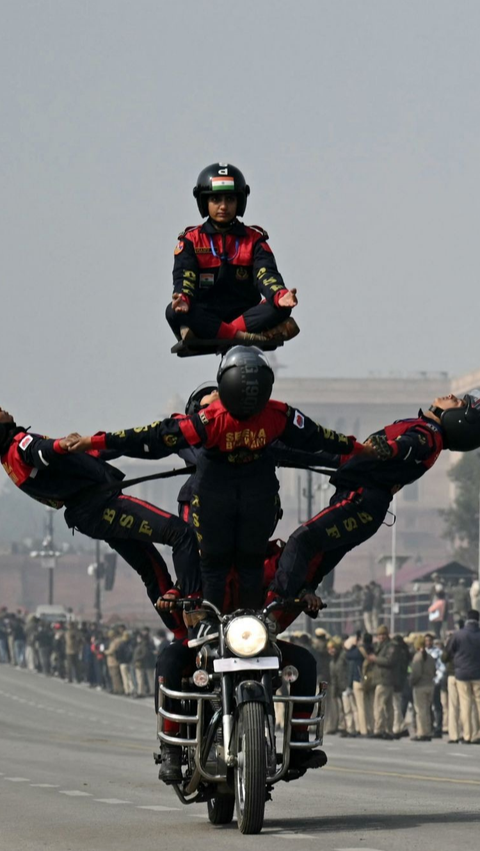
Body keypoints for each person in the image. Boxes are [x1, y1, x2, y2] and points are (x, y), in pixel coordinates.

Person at [66, 346, 370, 612]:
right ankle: (191, 602)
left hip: (243, 512)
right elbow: (145, 440)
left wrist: (358, 453)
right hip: (214, 513)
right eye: (205, 401)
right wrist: (92, 448)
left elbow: (314, 444)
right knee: (205, 556)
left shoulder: (249, 425)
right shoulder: (215, 424)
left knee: (251, 562)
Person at [0, 404, 196, 638]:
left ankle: (183, 636)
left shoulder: (9, 461)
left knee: (151, 570)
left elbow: (85, 455)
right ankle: (195, 605)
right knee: (181, 534)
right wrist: (60, 445)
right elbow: (40, 451)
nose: (2, 409)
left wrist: (103, 442)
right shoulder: (17, 446)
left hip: (89, 514)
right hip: (101, 506)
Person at [270, 392, 480, 602]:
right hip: (364, 501)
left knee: (302, 540)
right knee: (317, 553)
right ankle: (302, 591)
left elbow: (409, 445)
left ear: (459, 419)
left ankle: (274, 602)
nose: (452, 396)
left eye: (459, 402)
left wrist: (389, 449)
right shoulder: (426, 431)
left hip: (361, 502)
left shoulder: (428, 434)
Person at [166, 162, 299, 344]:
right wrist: (183, 299)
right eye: (216, 199)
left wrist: (280, 295)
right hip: (207, 314)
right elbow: (184, 278)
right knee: (173, 311)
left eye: (230, 199)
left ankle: (217, 334)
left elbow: (266, 274)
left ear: (240, 201)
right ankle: (242, 337)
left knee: (281, 308)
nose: (223, 206)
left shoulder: (254, 239)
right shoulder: (191, 240)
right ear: (204, 202)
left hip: (245, 315)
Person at [443, 610, 480, 744]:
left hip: (462, 674)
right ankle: (477, 734)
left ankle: (467, 735)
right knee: (478, 704)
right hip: (478, 674)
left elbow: (447, 654)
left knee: (465, 705)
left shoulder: (458, 635)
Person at [410, 635, 436, 741]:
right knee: (427, 710)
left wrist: (411, 682)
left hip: (420, 686)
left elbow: (416, 673)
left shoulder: (417, 657)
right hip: (430, 685)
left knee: (420, 711)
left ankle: (421, 732)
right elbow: (434, 671)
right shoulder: (430, 657)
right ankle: (428, 731)